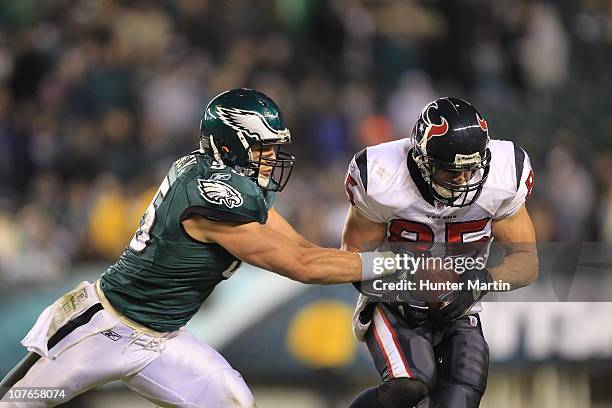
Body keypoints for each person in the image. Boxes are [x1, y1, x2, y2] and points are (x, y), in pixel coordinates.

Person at [0, 88, 394, 407]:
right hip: (101, 329)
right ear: (228, 146)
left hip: (162, 340)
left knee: (236, 402)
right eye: (262, 148)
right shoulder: (212, 194)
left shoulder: (226, 180)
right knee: (16, 403)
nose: (272, 158)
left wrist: (371, 263)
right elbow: (302, 265)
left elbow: (302, 248)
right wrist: (395, 266)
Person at [344, 97, 538, 408]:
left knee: (460, 395)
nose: (463, 179)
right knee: (408, 384)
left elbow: (527, 262)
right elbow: (351, 255)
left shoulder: (505, 175)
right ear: (424, 161)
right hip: (393, 301)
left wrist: (481, 281)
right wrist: (399, 288)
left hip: (459, 304)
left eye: (470, 169)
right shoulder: (382, 175)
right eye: (451, 171)